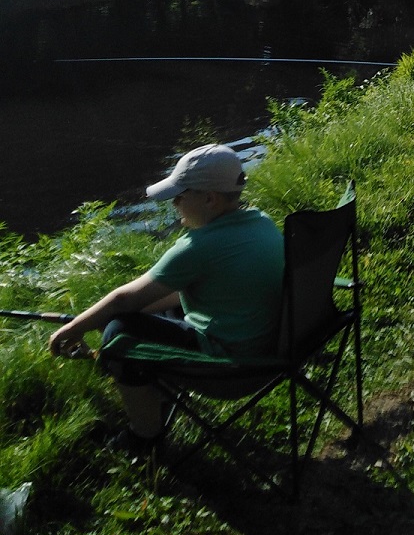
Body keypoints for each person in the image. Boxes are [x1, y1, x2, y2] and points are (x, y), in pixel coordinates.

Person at [48, 144, 285, 452]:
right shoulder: (260, 222)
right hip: (267, 350)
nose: (175, 203)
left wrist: (73, 329)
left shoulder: (199, 246)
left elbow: (122, 300)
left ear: (210, 199)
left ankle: (144, 438)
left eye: (180, 195)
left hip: (232, 369)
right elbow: (175, 291)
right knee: (133, 318)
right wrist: (103, 315)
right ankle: (152, 395)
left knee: (118, 333)